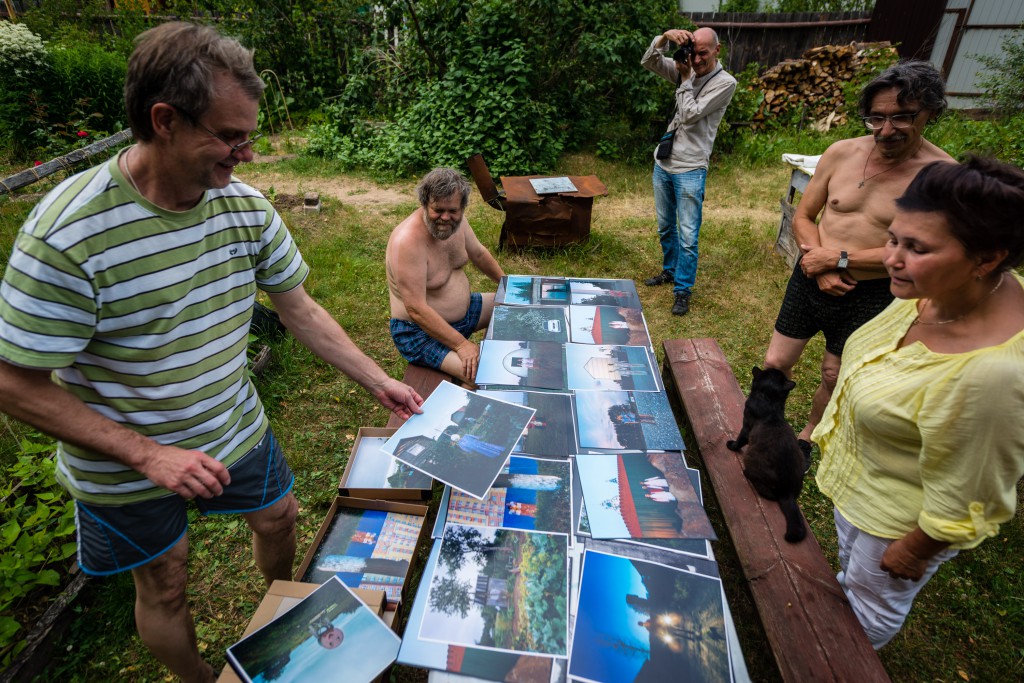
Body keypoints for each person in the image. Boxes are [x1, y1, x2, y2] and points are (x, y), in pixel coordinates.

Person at [0, 22, 422, 683]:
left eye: (249, 134)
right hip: (124, 464)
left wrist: (377, 381)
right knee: (165, 583)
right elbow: (13, 383)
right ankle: (202, 677)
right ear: (164, 120)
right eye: (230, 136)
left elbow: (300, 307)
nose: (247, 154)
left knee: (280, 517)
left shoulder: (244, 209)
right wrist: (148, 454)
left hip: (232, 425)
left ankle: (272, 613)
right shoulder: (68, 235)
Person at [811, 156, 1024, 649]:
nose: (891, 258)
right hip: (870, 489)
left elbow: (976, 488)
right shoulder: (930, 288)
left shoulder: (993, 376)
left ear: (987, 258)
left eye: (916, 247)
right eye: (892, 237)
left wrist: (917, 548)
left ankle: (847, 658)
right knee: (855, 576)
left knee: (871, 605)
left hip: (901, 521)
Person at [763, 60, 954, 461]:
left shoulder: (942, 177)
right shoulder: (841, 152)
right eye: (876, 118)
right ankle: (767, 426)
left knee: (835, 374)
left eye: (903, 117)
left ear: (931, 112)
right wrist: (818, 262)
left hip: (871, 291)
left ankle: (811, 433)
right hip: (810, 273)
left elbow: (924, 253)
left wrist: (842, 259)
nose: (886, 131)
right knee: (776, 361)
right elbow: (803, 216)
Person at [641, 27, 737, 315]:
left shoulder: (725, 83)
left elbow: (690, 114)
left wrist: (684, 79)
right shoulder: (688, 69)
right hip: (664, 162)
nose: (696, 60)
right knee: (665, 226)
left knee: (687, 235)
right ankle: (669, 271)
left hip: (691, 168)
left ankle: (682, 290)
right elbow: (649, 61)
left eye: (703, 53)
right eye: (692, 53)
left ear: (717, 50)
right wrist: (664, 39)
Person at [387, 167, 505, 383]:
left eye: (452, 211)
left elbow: (478, 254)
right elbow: (416, 309)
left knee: (516, 310)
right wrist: (462, 345)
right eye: (437, 210)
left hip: (466, 312)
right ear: (425, 204)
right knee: (488, 376)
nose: (445, 217)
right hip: (419, 334)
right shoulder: (407, 242)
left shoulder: (457, 224)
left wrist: (508, 285)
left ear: (462, 207)